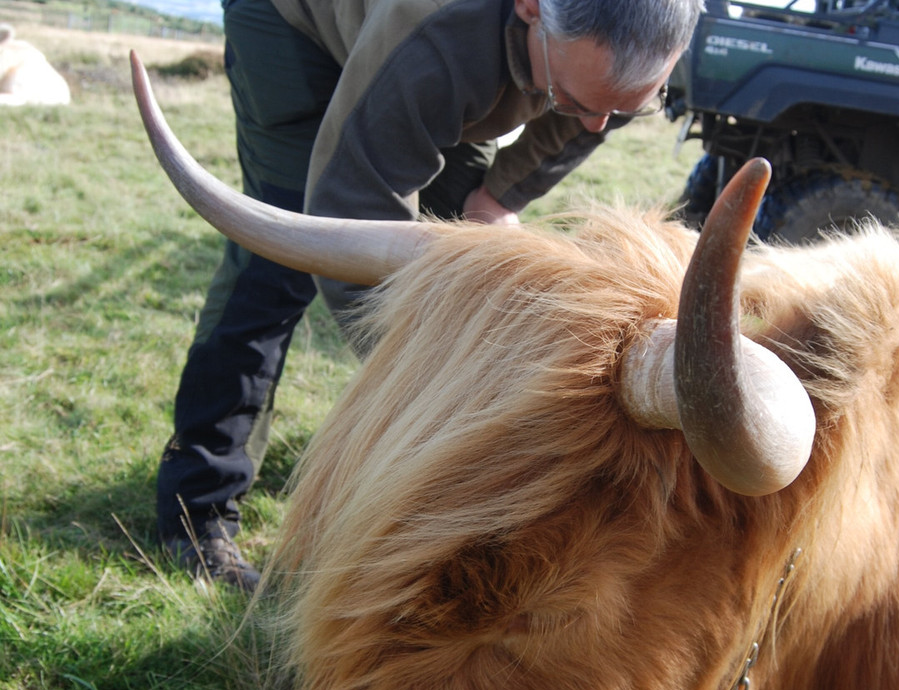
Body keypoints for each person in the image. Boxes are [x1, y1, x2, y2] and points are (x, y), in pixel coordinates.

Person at [156, 0, 703, 592]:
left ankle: (414, 471)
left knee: (458, 241)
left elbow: (594, 110)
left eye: (629, 105)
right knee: (280, 259)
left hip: (462, 58)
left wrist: (498, 195)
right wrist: (441, 380)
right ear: (531, 7)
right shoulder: (440, 28)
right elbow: (351, 202)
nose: (597, 124)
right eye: (573, 101)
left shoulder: (623, 47)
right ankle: (198, 508)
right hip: (295, 28)